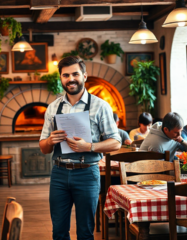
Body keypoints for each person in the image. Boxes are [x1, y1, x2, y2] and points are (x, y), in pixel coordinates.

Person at [39, 56, 121, 240]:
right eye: (65, 75)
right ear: (61, 78)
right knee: (58, 232)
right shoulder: (53, 108)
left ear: (84, 75)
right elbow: (44, 148)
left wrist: (89, 146)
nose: (70, 79)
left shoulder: (101, 106)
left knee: (85, 232)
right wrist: (51, 140)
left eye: (75, 74)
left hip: (87, 173)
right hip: (59, 174)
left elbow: (116, 142)